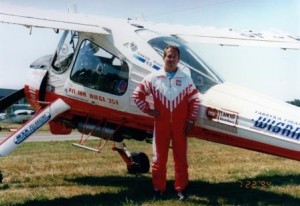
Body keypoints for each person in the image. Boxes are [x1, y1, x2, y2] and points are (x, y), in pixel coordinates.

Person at [132, 45, 200, 201]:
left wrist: (190, 119)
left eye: (174, 56)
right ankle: (158, 189)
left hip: (180, 126)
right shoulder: (154, 77)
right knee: (159, 159)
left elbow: (195, 101)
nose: (171, 59)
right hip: (161, 125)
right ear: (163, 58)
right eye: (169, 56)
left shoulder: (185, 79)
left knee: (181, 159)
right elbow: (137, 94)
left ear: (178, 60)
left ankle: (181, 189)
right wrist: (147, 110)